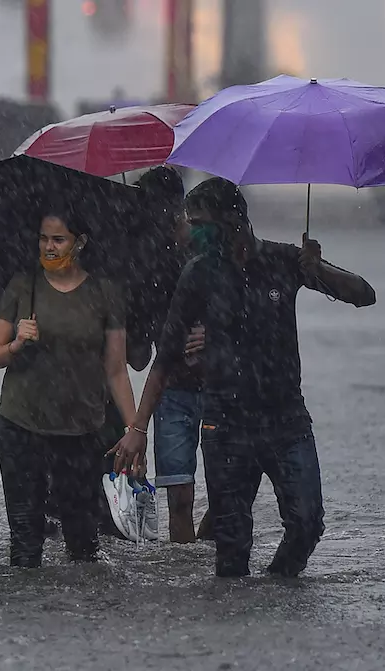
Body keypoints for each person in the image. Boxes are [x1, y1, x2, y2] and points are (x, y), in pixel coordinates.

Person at [110, 178, 376, 578]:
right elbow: (163, 359)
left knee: (307, 524)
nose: (190, 232)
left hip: (286, 420)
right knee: (231, 547)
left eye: (199, 223)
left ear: (233, 220)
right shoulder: (198, 274)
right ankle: (234, 629)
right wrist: (138, 427)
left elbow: (364, 293)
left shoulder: (283, 261)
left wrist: (317, 267)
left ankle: (277, 594)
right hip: (225, 426)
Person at [0, 208, 138, 568]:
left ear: (80, 242)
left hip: (81, 431)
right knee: (25, 542)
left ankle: (78, 617)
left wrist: (135, 429)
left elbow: (116, 370)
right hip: (21, 426)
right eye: (43, 239)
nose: (49, 248)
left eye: (58, 239)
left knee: (84, 544)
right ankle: (28, 616)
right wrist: (16, 344)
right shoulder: (23, 285)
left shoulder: (105, 293)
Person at [132, 166, 210, 543]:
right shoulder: (144, 261)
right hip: (173, 388)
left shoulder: (209, 247)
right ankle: (191, 574)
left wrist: (210, 331)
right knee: (179, 499)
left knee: (229, 493)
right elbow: (139, 356)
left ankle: (206, 572)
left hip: (216, 386)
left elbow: (239, 303)